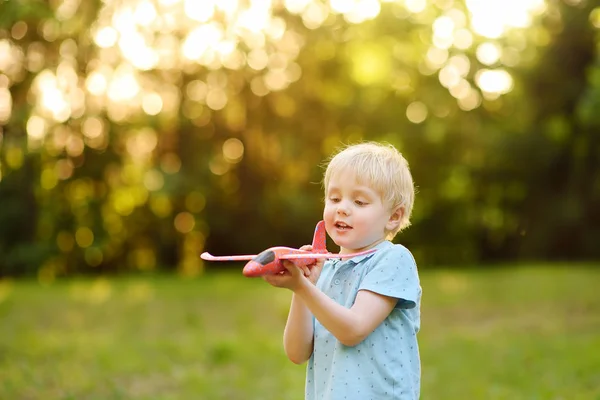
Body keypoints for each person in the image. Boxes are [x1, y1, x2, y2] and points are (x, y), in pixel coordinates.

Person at [263, 141, 422, 399]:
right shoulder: (325, 268)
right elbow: (297, 352)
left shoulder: (393, 260)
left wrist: (301, 287)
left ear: (393, 216)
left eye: (359, 201)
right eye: (334, 198)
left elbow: (353, 330)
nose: (342, 208)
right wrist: (303, 287)